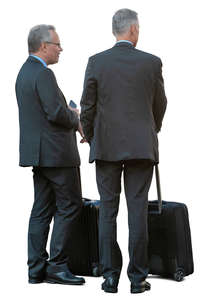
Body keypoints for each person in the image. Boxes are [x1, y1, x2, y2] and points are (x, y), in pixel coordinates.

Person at [80, 8, 167, 294]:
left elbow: (87, 106)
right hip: (141, 148)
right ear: (132, 30)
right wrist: (150, 129)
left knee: (108, 211)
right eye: (138, 29)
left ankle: (109, 277)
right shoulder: (152, 63)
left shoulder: (96, 62)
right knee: (137, 211)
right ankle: (137, 279)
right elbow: (160, 104)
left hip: (106, 148)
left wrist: (91, 137)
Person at [15, 24, 85, 285]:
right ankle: (57, 266)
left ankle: (36, 269)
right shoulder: (43, 75)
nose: (61, 49)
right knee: (70, 206)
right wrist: (75, 116)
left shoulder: (24, 72)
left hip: (38, 155)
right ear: (43, 46)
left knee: (41, 210)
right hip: (57, 155)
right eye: (57, 44)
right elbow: (55, 113)